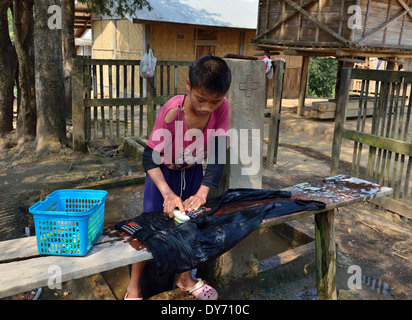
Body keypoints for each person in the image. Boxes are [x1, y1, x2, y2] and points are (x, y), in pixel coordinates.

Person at [125, 54, 232, 300]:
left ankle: (184, 278)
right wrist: (167, 193)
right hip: (163, 173)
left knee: (191, 224)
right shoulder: (172, 111)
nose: (207, 107)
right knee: (148, 228)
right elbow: (149, 157)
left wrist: (203, 191)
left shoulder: (222, 108)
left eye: (214, 102)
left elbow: (217, 153)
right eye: (200, 99)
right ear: (188, 86)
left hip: (193, 171)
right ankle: (134, 287)